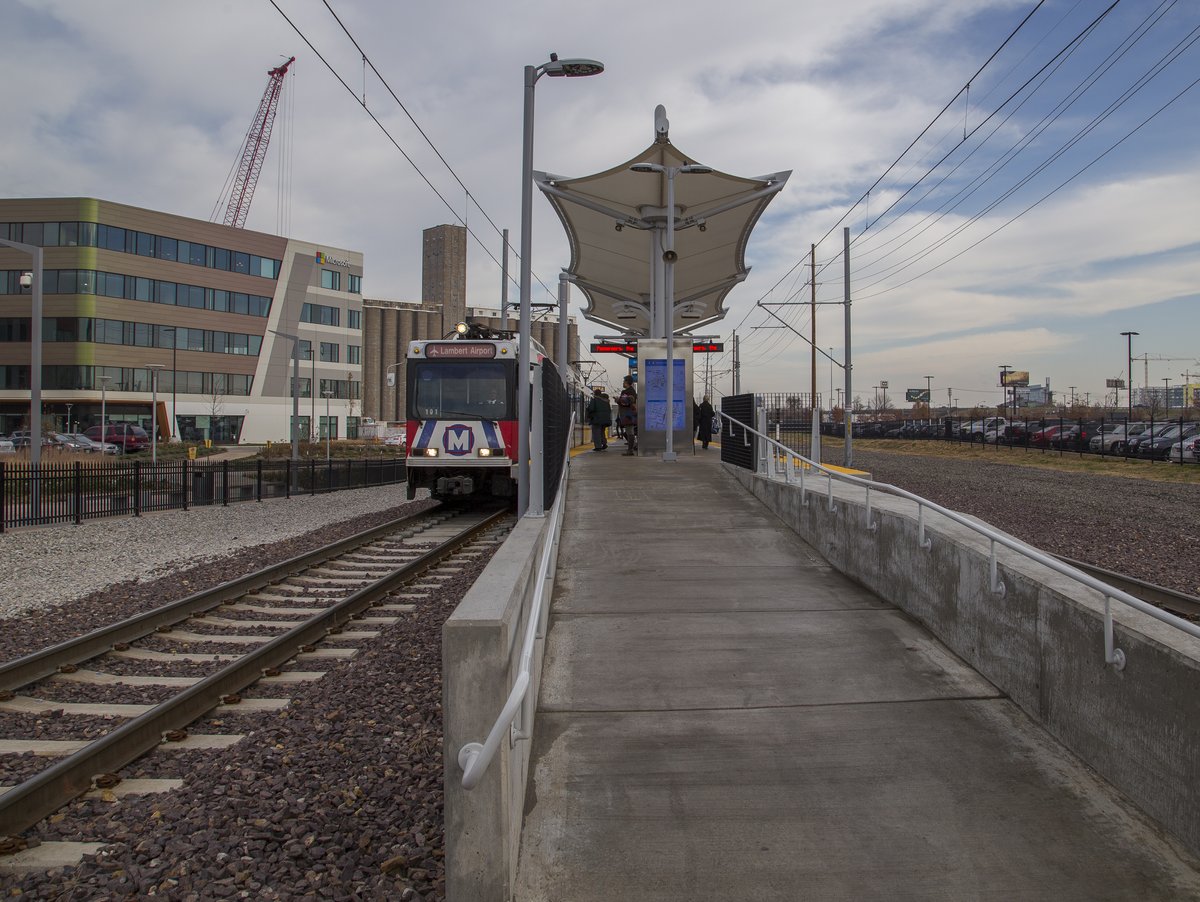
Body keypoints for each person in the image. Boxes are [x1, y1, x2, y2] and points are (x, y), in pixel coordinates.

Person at [586, 387, 611, 451]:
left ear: (595, 394)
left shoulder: (594, 400)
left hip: (597, 419)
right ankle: (604, 443)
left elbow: (591, 409)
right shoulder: (606, 401)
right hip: (605, 420)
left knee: (596, 432)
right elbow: (609, 410)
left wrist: (588, 412)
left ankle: (598, 447)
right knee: (602, 432)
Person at [617, 376, 638, 455]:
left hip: (628, 415)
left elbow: (625, 401)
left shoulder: (628, 391)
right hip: (629, 414)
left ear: (626, 382)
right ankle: (631, 448)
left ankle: (630, 450)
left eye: (624, 381)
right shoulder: (632, 391)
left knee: (629, 432)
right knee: (629, 432)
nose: (623, 383)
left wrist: (618, 400)